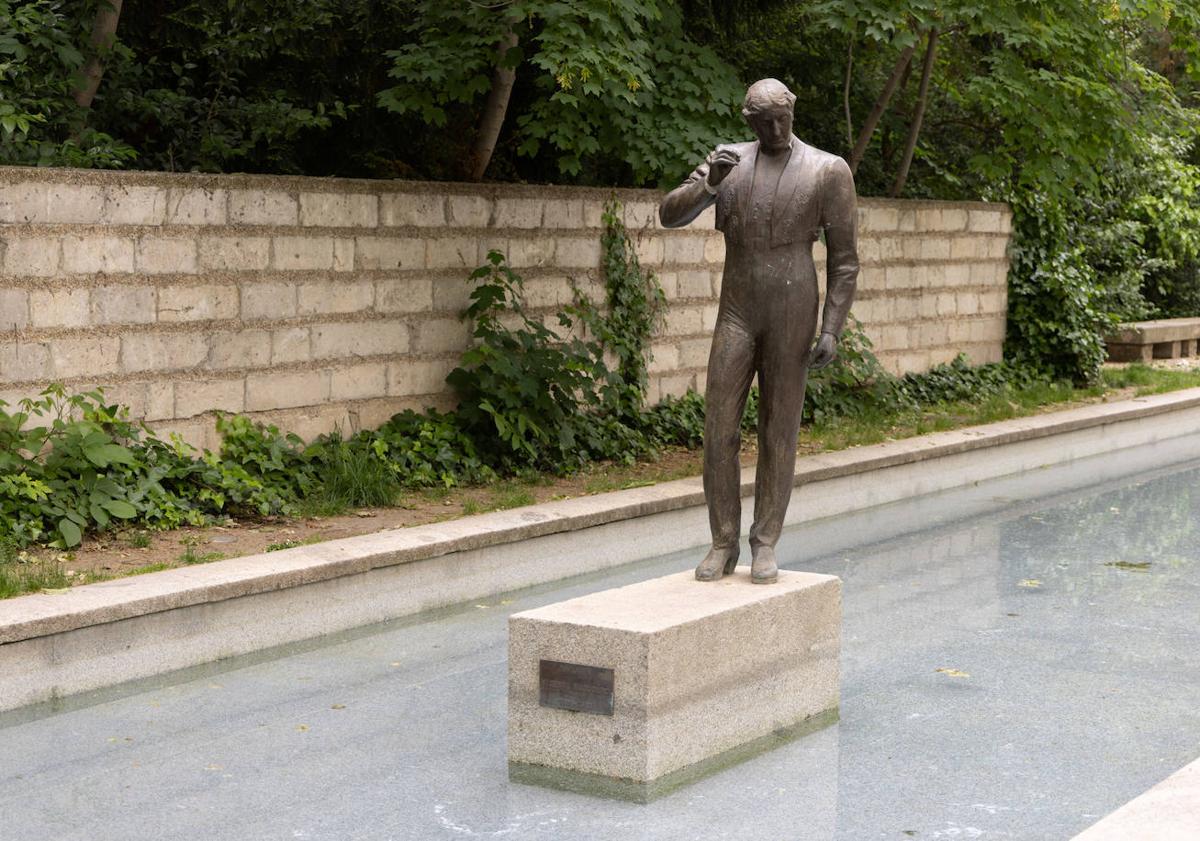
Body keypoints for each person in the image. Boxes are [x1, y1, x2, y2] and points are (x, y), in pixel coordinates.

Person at [659, 78, 859, 584]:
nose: (774, 129)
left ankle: (764, 541)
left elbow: (845, 261)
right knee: (718, 426)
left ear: (792, 110)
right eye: (763, 121)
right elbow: (669, 215)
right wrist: (708, 185)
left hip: (793, 309)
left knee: (779, 430)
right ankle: (722, 541)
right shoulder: (729, 161)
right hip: (738, 311)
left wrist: (832, 327)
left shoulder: (827, 170)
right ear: (748, 119)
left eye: (781, 119)